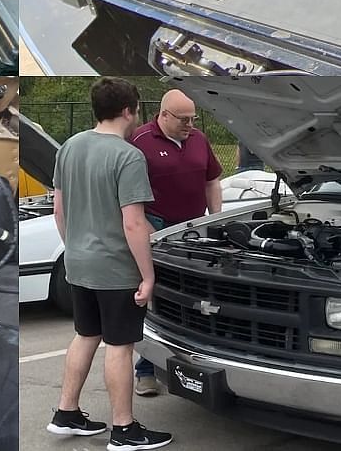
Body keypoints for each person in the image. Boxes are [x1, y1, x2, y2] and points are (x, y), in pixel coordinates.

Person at [45, 77, 173, 450]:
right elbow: (133, 222)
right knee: (120, 345)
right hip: (116, 267)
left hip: (79, 262)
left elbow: (59, 207)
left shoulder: (69, 147)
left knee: (86, 335)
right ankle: (124, 430)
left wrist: (75, 248)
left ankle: (66, 412)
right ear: (129, 110)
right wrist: (147, 276)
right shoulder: (128, 155)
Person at [127, 89, 223, 397]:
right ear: (163, 115)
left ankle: (198, 360)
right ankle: (146, 369)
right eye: (183, 119)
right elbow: (130, 195)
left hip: (194, 232)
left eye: (193, 119)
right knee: (157, 298)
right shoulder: (140, 142)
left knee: (197, 299)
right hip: (157, 231)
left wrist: (215, 221)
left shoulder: (199, 140)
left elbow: (212, 181)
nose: (190, 125)